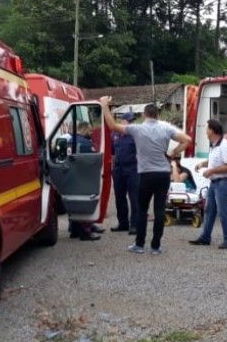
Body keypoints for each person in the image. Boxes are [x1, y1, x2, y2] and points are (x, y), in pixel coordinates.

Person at [99, 98, 192, 255]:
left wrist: (104, 106)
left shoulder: (137, 129)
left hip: (145, 174)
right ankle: (156, 246)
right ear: (157, 115)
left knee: (142, 209)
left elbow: (112, 125)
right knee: (160, 210)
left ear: (144, 114)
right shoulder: (166, 128)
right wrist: (173, 153)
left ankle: (140, 244)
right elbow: (187, 140)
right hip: (163, 173)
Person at [189, 119, 227, 249]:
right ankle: (205, 238)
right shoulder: (215, 145)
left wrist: (211, 171)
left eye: (206, 129)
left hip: (223, 183)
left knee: (223, 212)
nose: (205, 131)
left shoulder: (225, 145)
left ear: (211, 130)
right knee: (209, 211)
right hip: (215, 183)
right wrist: (203, 164)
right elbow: (214, 160)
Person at [67, 122, 101, 241]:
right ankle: (86, 231)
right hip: (84, 177)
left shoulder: (70, 141)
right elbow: (92, 160)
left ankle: (74, 229)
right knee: (86, 204)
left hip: (72, 176)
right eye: (90, 131)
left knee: (74, 203)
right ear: (85, 130)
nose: (91, 133)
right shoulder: (86, 143)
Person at [111, 112, 139, 235]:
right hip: (118, 169)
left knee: (134, 198)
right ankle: (123, 223)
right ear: (123, 122)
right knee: (119, 197)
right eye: (129, 121)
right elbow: (112, 152)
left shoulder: (135, 135)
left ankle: (134, 225)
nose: (132, 123)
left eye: (132, 121)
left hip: (132, 168)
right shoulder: (115, 134)